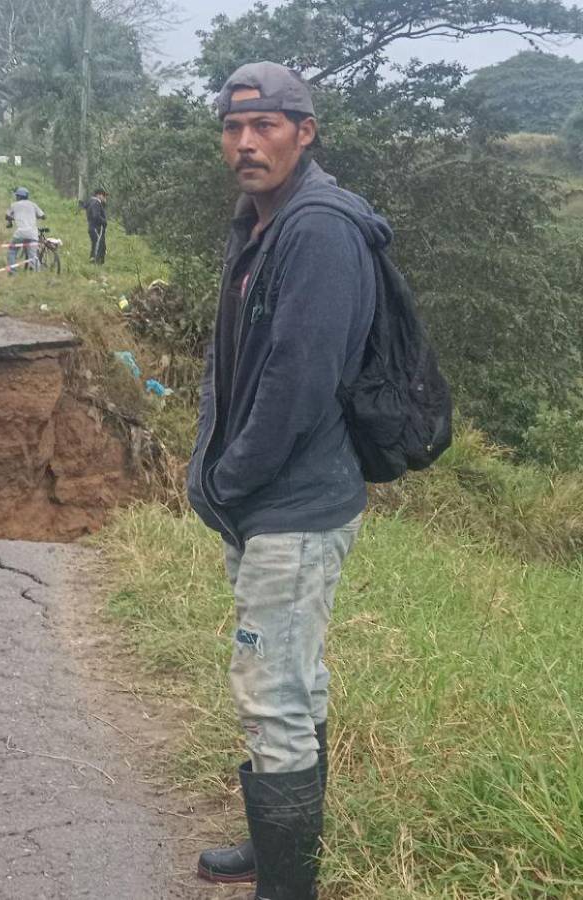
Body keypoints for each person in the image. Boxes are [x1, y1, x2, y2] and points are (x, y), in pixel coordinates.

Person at [187, 62, 388, 899]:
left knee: (271, 689)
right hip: (265, 501)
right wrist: (213, 468)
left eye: (265, 126)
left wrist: (230, 479)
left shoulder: (319, 231)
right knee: (295, 681)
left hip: (293, 504)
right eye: (234, 128)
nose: (246, 143)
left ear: (304, 133)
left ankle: (288, 887)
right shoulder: (260, 221)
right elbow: (233, 358)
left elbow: (298, 384)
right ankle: (281, 850)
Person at [5, 187, 45, 274]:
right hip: (33, 234)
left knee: (12, 251)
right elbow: (43, 216)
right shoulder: (33, 205)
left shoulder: (14, 205)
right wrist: (36, 216)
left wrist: (12, 220)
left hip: (20, 233)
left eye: (17, 196)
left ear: (19, 196)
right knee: (33, 255)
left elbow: (7, 216)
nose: (16, 197)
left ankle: (13, 271)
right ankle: (37, 273)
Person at [82, 188, 108, 264]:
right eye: (103, 195)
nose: (105, 197)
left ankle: (94, 260)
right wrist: (104, 222)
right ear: (98, 195)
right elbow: (96, 216)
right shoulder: (96, 203)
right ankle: (96, 262)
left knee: (96, 245)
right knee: (99, 246)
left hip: (93, 227)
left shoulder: (92, 202)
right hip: (96, 228)